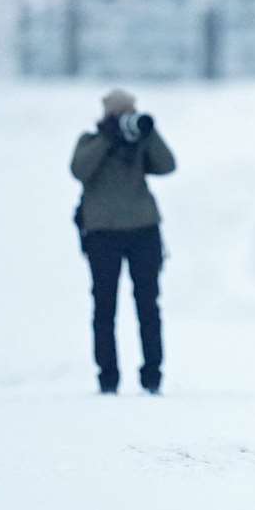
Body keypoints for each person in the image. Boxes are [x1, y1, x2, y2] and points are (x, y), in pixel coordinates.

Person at [70, 88, 176, 395]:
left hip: (143, 230)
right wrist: (108, 136)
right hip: (103, 234)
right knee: (105, 306)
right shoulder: (90, 141)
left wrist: (148, 134)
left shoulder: (140, 142)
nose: (127, 118)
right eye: (121, 113)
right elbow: (79, 170)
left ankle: (152, 375)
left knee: (148, 305)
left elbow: (167, 165)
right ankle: (107, 377)